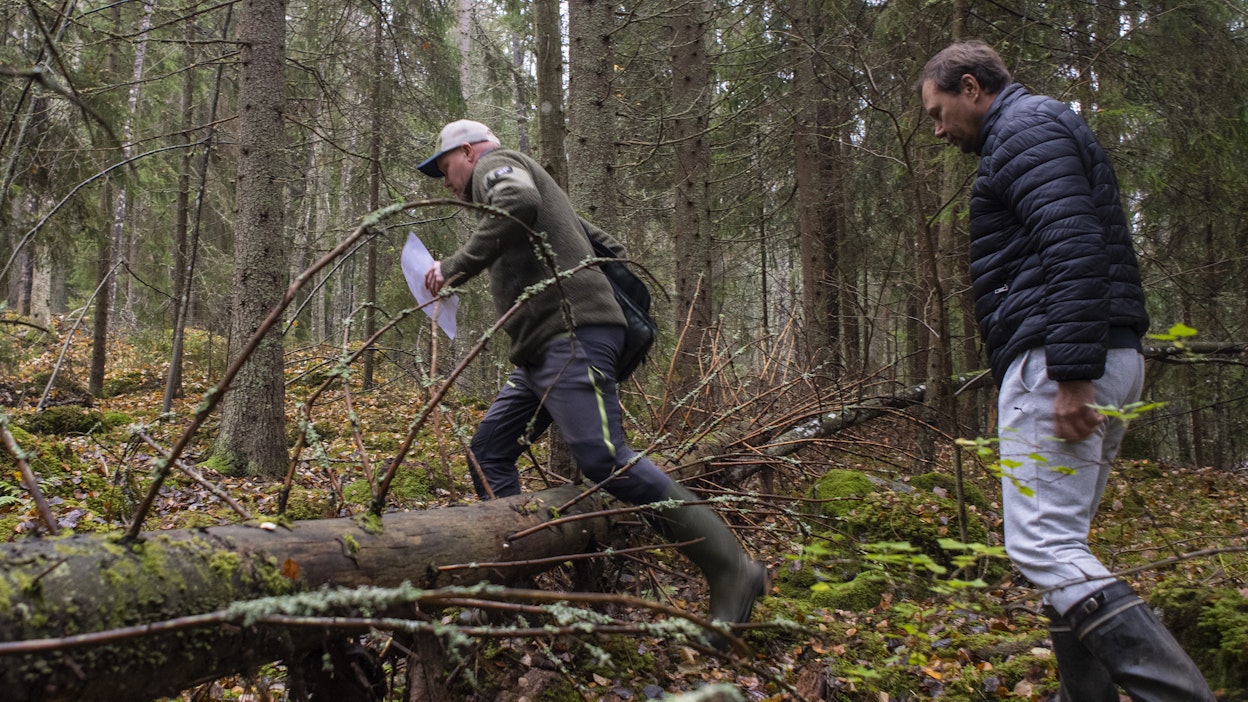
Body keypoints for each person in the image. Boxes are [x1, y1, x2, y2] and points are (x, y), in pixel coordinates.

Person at [919, 41, 1213, 700]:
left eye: (940, 112)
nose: (938, 130)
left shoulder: (1024, 130)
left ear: (970, 88)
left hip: (1061, 359)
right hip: (1092, 353)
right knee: (1064, 547)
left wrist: (1072, 375)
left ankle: (1178, 693)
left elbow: (1073, 245)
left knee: (1043, 548)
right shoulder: (1034, 130)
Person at [417, 119, 767, 645]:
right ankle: (513, 597)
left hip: (570, 336)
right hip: (542, 352)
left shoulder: (496, 166)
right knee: (488, 451)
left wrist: (455, 267)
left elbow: (517, 203)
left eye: (446, 169)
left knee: (605, 457)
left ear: (467, 153)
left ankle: (733, 569)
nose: (448, 183)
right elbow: (604, 241)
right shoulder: (524, 175)